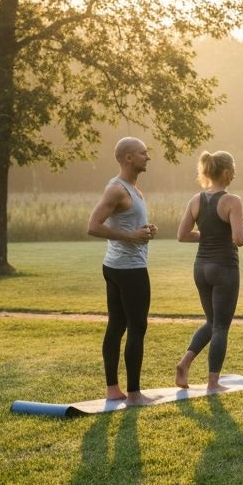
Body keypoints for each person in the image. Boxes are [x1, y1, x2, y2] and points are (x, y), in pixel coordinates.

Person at [87, 137, 158, 404]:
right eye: (143, 153)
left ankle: (113, 390)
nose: (147, 157)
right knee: (136, 327)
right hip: (129, 270)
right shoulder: (117, 189)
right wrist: (130, 237)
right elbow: (93, 226)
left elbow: (129, 225)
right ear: (128, 158)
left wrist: (146, 231)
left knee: (117, 325)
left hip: (117, 267)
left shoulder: (134, 189)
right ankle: (135, 394)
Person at [175, 151, 243, 392]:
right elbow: (238, 239)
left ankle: (184, 364)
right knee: (220, 327)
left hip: (201, 268)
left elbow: (182, 235)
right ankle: (213, 382)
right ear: (226, 173)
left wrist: (208, 235)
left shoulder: (196, 200)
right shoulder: (232, 201)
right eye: (234, 170)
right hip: (224, 268)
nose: (235, 174)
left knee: (211, 321)